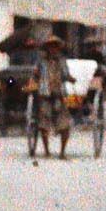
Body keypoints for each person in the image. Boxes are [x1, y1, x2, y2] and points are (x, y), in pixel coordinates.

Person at [32, 33, 72, 161]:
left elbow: (66, 74)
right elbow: (35, 74)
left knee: (65, 124)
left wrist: (70, 78)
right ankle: (47, 151)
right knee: (43, 123)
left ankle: (62, 152)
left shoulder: (62, 61)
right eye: (51, 46)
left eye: (55, 46)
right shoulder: (41, 62)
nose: (53, 49)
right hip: (45, 95)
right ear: (47, 48)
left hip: (59, 95)